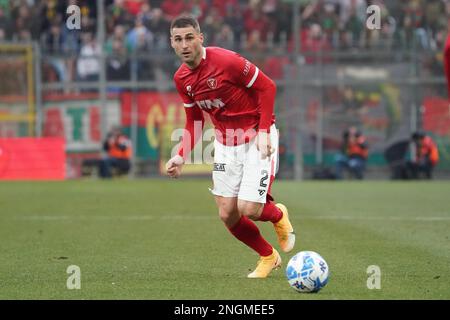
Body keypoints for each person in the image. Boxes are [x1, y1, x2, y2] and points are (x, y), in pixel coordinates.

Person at [165, 16, 295, 279]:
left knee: (250, 209)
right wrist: (180, 156)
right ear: (172, 44)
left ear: (201, 38)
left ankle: (278, 213)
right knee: (227, 214)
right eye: (178, 39)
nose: (185, 44)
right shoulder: (181, 79)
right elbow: (195, 121)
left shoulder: (226, 61)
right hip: (226, 143)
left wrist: (262, 131)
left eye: (189, 37)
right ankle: (268, 256)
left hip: (257, 136)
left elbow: (267, 86)